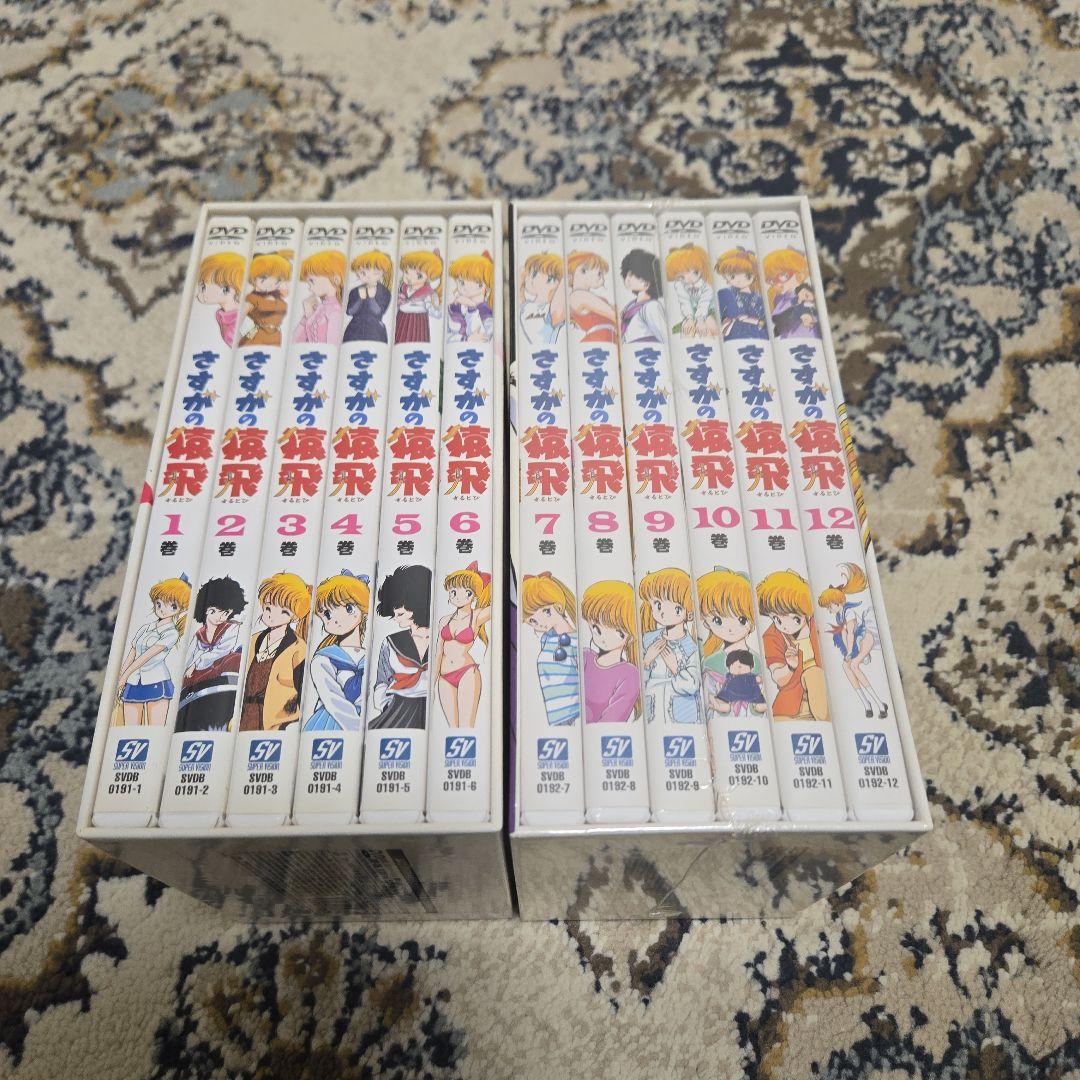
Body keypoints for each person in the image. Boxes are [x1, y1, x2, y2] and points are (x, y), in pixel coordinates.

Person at [115, 576, 190, 725]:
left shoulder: (171, 633)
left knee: (155, 729)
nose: (162, 609)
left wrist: (124, 677)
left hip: (156, 680)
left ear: (181, 609)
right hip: (133, 681)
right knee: (129, 728)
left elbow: (146, 657)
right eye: (159, 603)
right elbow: (132, 652)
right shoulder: (145, 628)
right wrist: (121, 677)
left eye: (172, 606)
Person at [239, 572, 309, 731]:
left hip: (278, 722)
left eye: (284, 611)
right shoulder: (254, 640)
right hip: (246, 717)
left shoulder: (298, 647)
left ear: (294, 616)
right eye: (268, 607)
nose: (272, 615)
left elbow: (302, 691)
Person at [176, 577, 246, 732]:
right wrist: (192, 665)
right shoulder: (198, 634)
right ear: (205, 610)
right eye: (213, 611)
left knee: (234, 659)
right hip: (200, 676)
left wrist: (197, 662)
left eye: (225, 613)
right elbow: (190, 656)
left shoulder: (231, 629)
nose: (219, 617)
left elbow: (223, 650)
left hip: (221, 669)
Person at [819, 563, 888, 719]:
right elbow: (844, 634)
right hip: (854, 642)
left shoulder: (848, 612)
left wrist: (850, 652)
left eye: (829, 606)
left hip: (864, 638)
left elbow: (851, 633)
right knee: (846, 666)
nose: (829, 610)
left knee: (854, 665)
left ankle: (879, 704)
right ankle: (866, 703)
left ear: (836, 602)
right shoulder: (839, 615)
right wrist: (847, 653)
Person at [756, 570, 828, 721]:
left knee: (813, 673)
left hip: (822, 700)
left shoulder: (817, 625)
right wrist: (790, 667)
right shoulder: (772, 636)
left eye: (794, 618)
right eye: (777, 619)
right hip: (792, 704)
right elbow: (778, 678)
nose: (785, 626)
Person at [368, 565, 432, 730]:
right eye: (394, 614)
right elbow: (382, 681)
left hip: (434, 707)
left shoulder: (442, 637)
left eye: (401, 614)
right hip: (398, 708)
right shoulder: (391, 642)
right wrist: (385, 704)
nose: (396, 619)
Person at [697, 568, 767, 718]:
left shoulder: (758, 660)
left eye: (742, 620)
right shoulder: (711, 662)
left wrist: (757, 708)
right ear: (706, 623)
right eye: (718, 620)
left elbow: (762, 696)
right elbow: (709, 699)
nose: (730, 628)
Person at [305, 572, 370, 732]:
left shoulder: (370, 657)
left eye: (348, 608)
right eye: (327, 614)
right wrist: (357, 727)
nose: (335, 619)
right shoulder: (323, 659)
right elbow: (332, 698)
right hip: (330, 723)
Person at [432, 563, 492, 729]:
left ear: (473, 595)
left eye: (466, 592)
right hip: (444, 677)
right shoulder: (444, 620)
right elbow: (438, 653)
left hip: (467, 673)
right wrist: (432, 683)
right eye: (453, 591)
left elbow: (497, 603)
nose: (457, 596)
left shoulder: (477, 616)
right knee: (452, 728)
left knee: (466, 726)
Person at [639, 568, 701, 725]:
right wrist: (647, 661)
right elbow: (637, 682)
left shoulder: (691, 646)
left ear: (689, 613)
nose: (663, 613)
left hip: (682, 714)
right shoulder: (648, 639)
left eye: (677, 608)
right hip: (653, 711)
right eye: (658, 605)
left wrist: (675, 668)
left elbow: (693, 685)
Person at [520, 573, 579, 727]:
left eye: (546, 611)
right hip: (554, 715)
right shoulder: (547, 640)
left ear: (558, 607)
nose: (538, 623)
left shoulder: (576, 641)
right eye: (532, 621)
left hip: (575, 714)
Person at [580, 580, 640, 724]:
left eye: (619, 632)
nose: (605, 637)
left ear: (630, 637)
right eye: (597, 627)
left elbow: (614, 719)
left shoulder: (629, 674)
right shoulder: (585, 657)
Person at [713, 247, 768, 341]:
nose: (739, 279)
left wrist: (754, 321)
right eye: (731, 276)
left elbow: (766, 325)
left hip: (759, 338)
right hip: (733, 339)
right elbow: (718, 318)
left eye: (747, 275)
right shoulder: (725, 294)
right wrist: (727, 321)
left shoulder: (759, 299)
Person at [292, 250, 346, 344]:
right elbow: (295, 342)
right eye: (308, 283)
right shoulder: (319, 308)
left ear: (335, 279)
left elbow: (332, 347)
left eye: (312, 281)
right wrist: (308, 314)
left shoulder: (336, 311)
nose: (310, 288)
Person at [663, 243, 717, 338]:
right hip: (691, 312)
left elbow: (704, 302)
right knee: (687, 329)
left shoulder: (707, 284)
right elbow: (684, 302)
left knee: (710, 326)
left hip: (709, 310)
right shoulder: (679, 284)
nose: (688, 279)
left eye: (694, 272)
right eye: (681, 276)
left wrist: (700, 319)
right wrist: (689, 318)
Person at [240, 250, 292, 346]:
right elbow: (238, 320)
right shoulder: (252, 299)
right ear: (253, 278)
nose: (271, 282)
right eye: (263, 277)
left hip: (276, 336)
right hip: (259, 337)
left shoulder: (278, 296)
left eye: (278, 279)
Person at [565, 251, 617, 343]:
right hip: (597, 339)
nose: (602, 278)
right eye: (599, 273)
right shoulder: (578, 295)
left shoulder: (582, 295)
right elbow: (613, 314)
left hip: (605, 339)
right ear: (583, 271)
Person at [343, 249, 393, 343]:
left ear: (383, 273)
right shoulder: (355, 290)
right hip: (354, 329)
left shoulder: (384, 291)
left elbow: (379, 312)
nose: (369, 277)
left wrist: (371, 298)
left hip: (375, 330)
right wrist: (360, 300)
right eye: (363, 273)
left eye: (375, 273)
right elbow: (349, 312)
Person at [196, 251, 245, 346]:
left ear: (225, 289)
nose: (200, 293)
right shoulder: (222, 316)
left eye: (203, 287)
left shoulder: (243, 319)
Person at [394, 250, 443, 344]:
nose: (409, 277)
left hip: (417, 321)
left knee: (416, 341)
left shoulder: (427, 293)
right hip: (402, 317)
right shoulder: (403, 287)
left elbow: (436, 313)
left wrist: (432, 305)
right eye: (406, 272)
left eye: (419, 276)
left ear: (429, 277)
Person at [618, 249, 666, 344]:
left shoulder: (651, 307)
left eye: (632, 275)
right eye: (627, 274)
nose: (627, 279)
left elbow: (664, 337)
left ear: (646, 281)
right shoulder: (630, 306)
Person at [518, 252, 566, 346]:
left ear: (553, 281)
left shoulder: (552, 308)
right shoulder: (527, 305)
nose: (527, 278)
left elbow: (557, 313)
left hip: (549, 349)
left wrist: (563, 280)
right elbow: (519, 284)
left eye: (534, 274)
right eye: (529, 273)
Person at [447, 252, 495, 343]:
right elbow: (446, 336)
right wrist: (464, 339)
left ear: (486, 288)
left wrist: (472, 308)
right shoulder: (454, 308)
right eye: (462, 282)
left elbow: (484, 337)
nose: (465, 287)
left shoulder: (486, 312)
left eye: (478, 283)